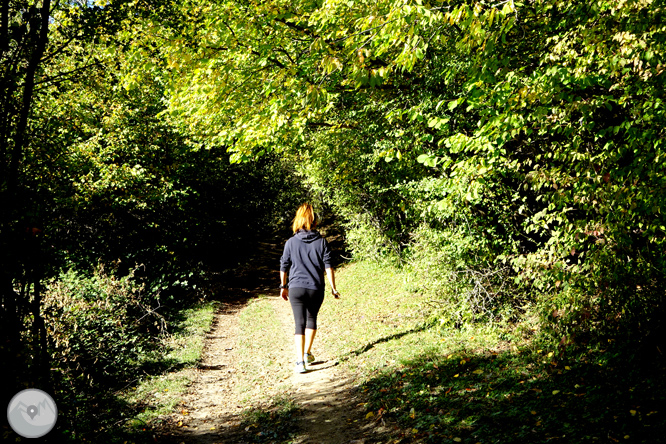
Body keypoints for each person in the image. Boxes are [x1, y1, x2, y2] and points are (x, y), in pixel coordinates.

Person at [279, 203, 340, 373]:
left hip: (296, 288)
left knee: (299, 323)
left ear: (298, 221)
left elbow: (284, 266)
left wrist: (283, 286)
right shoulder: (321, 242)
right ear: (314, 221)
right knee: (311, 319)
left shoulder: (290, 242)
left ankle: (300, 362)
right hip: (315, 288)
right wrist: (333, 288)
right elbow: (329, 266)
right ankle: (306, 353)